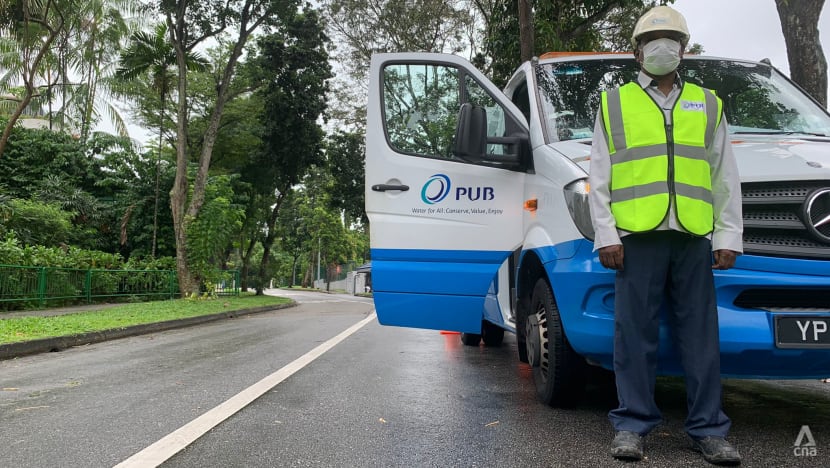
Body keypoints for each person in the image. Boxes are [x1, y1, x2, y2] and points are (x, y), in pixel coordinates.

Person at [588, 5, 743, 466]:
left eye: (672, 39)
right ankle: (632, 425)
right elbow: (599, 174)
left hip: (694, 235)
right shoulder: (614, 103)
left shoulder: (708, 103)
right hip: (636, 235)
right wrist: (605, 235)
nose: (663, 47)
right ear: (636, 52)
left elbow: (724, 176)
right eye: (653, 40)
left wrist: (727, 235)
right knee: (633, 334)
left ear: (685, 49)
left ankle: (709, 429)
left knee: (700, 335)